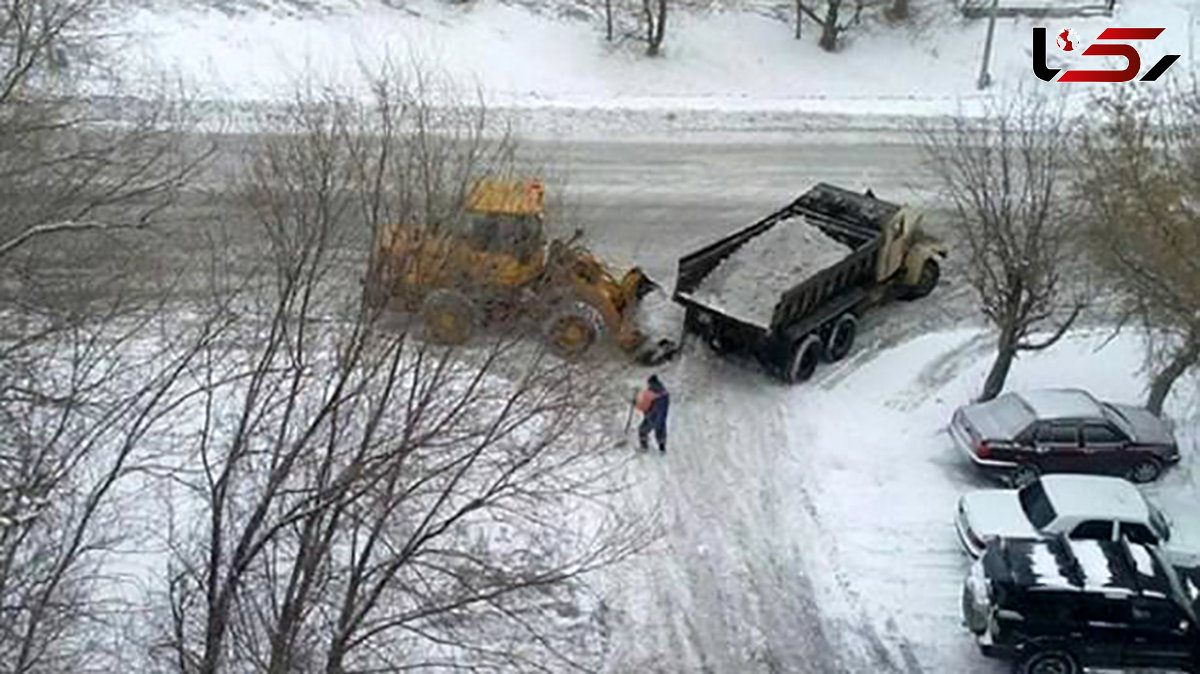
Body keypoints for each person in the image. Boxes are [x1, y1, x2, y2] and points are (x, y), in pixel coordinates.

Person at [635, 375, 670, 453]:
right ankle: (662, 447)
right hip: (662, 415)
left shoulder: (650, 392)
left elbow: (643, 406)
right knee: (661, 428)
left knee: (642, 430)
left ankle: (644, 447)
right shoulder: (664, 392)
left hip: (652, 416)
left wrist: (635, 403)